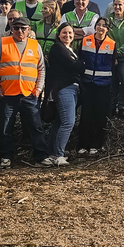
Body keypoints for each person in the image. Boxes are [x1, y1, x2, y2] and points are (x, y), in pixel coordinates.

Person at [0, 17, 49, 168]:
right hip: (7, 94)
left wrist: (38, 89)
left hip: (29, 94)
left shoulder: (34, 45)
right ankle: (5, 157)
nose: (20, 31)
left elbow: (41, 68)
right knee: (5, 128)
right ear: (11, 28)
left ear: (29, 29)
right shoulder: (3, 43)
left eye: (23, 28)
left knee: (36, 127)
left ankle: (41, 156)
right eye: (17, 28)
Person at [77, 17, 116, 157]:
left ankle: (96, 145)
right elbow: (79, 60)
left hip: (103, 85)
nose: (100, 27)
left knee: (99, 115)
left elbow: (113, 66)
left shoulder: (112, 44)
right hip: (87, 83)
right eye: (98, 25)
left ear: (108, 29)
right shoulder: (85, 40)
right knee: (86, 115)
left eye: (104, 26)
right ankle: (82, 145)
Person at [47, 23, 83, 166]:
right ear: (58, 34)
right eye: (64, 33)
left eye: (70, 33)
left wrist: (77, 63)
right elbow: (74, 66)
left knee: (59, 122)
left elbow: (75, 65)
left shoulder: (70, 50)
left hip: (72, 88)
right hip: (64, 88)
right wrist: (80, 63)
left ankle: (52, 152)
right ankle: (59, 154)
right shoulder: (58, 48)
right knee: (68, 121)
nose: (67, 36)